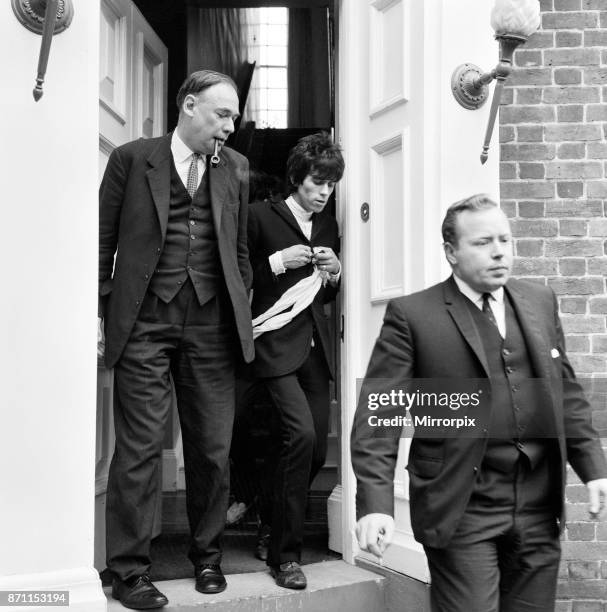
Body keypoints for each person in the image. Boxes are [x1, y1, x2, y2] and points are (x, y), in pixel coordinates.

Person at [351, 194, 607, 612]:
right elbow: (381, 413)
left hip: (538, 503)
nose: (499, 251)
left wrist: (593, 467)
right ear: (451, 252)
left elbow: (566, 393)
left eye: (505, 240)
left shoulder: (541, 301)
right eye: (483, 242)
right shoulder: (413, 315)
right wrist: (376, 505)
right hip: (461, 504)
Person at [98, 70, 254, 610]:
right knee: (139, 449)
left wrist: (242, 309)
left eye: (234, 116)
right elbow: (101, 242)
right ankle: (130, 572)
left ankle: (207, 556)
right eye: (221, 114)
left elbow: (236, 253)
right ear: (189, 106)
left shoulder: (236, 169)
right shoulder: (130, 159)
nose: (230, 126)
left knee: (212, 448)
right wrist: (100, 313)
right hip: (144, 321)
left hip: (211, 325)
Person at [246, 132, 344, 589]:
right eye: (317, 182)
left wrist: (336, 271)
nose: (324, 192)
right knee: (300, 436)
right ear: (295, 178)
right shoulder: (258, 217)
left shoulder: (328, 225)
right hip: (272, 346)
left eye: (330, 184)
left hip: (314, 348)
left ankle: (271, 522)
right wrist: (278, 263)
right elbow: (237, 278)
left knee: (316, 448)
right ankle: (285, 556)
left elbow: (330, 293)